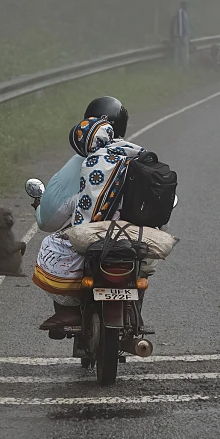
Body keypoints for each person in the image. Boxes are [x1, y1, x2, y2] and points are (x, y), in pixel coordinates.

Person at [31, 96, 143, 333]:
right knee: (145, 261)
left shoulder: (77, 166)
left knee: (52, 246)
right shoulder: (137, 156)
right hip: (130, 240)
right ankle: (135, 311)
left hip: (91, 240)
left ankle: (67, 310)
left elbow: (49, 221)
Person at [170, 0, 191, 68]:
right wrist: (181, 36)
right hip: (180, 36)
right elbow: (180, 25)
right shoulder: (180, 12)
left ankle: (182, 66)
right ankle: (180, 66)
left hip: (182, 35)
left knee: (182, 52)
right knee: (180, 51)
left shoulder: (184, 13)